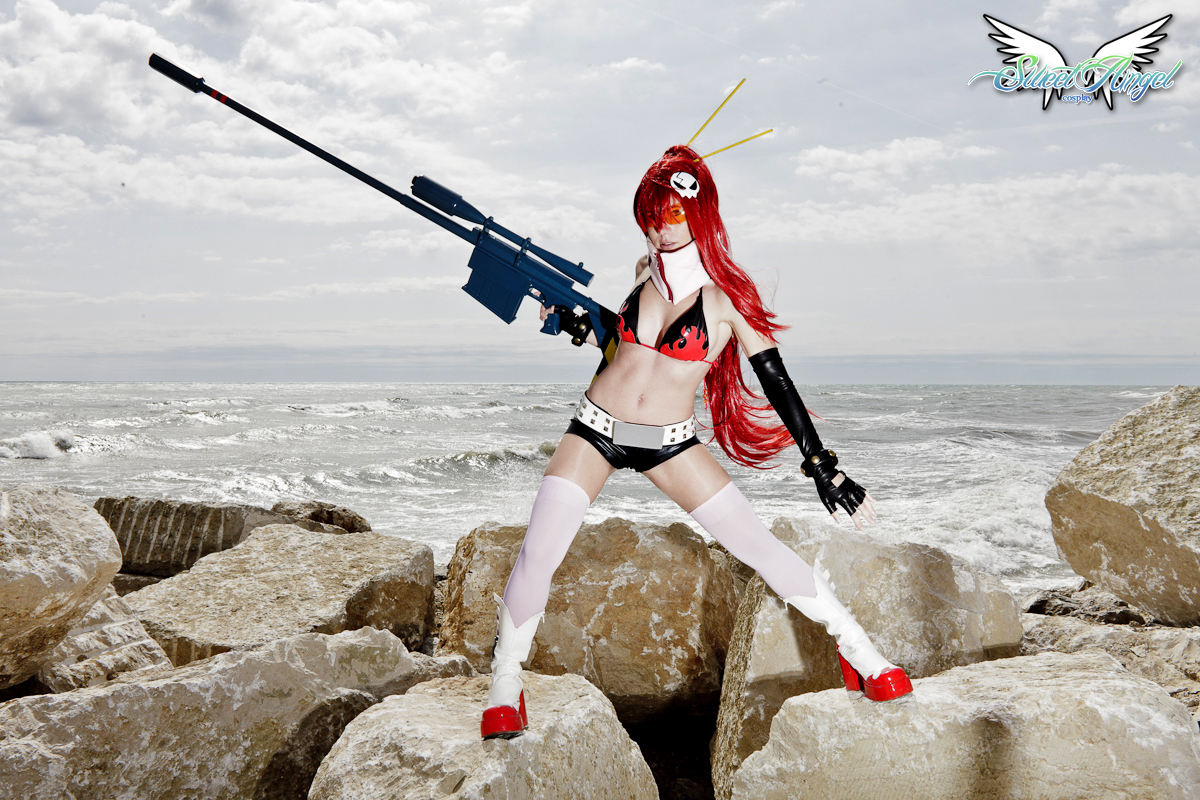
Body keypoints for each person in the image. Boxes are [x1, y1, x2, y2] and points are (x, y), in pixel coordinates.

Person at [480, 144, 912, 741]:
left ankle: (861, 652)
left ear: (700, 212)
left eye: (673, 214)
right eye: (651, 216)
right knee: (539, 551)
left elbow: (776, 380)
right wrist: (585, 327)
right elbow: (625, 349)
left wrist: (821, 463)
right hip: (595, 428)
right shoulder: (643, 273)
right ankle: (505, 685)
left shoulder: (729, 295)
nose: (661, 229)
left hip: (670, 443)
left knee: (759, 547)